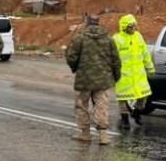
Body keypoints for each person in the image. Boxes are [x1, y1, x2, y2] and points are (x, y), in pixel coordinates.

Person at [65, 15, 121, 145]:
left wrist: (75, 68)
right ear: (98, 23)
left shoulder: (79, 38)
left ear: (87, 23)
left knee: (82, 105)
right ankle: (103, 136)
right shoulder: (108, 39)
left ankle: (85, 133)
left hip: (84, 78)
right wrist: (116, 76)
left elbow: (71, 56)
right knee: (102, 105)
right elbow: (116, 60)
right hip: (103, 79)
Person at [113, 14, 155, 130]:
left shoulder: (138, 37)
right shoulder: (116, 39)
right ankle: (124, 119)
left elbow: (145, 53)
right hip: (123, 75)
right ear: (124, 27)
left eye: (134, 26)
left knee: (143, 96)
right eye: (131, 26)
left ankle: (136, 112)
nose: (133, 28)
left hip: (138, 75)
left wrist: (150, 67)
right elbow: (111, 57)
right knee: (122, 98)